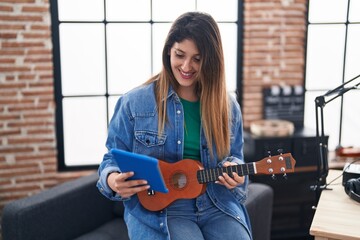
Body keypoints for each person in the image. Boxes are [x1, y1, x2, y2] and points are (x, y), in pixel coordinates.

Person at [97, 11, 252, 240]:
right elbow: (111, 159)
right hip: (160, 209)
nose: (187, 66)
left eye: (197, 59)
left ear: (211, 62)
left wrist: (237, 173)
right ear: (169, 50)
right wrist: (112, 180)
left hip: (215, 203)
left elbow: (235, 157)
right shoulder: (134, 103)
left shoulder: (228, 108)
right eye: (180, 55)